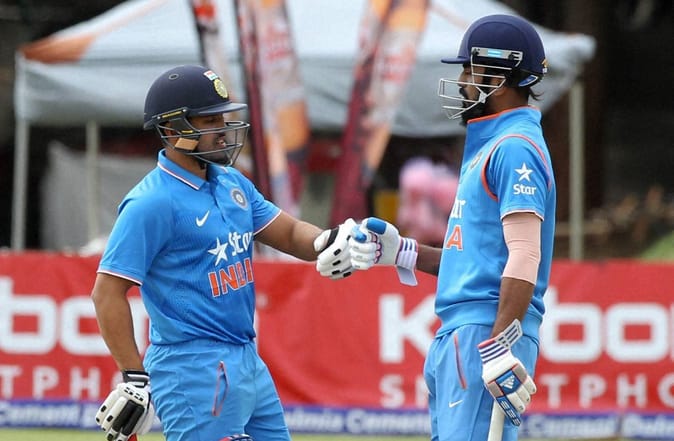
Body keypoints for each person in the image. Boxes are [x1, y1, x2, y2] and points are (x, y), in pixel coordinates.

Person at [91, 64, 355, 441]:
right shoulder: (150, 203)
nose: (224, 129)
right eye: (210, 120)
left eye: (223, 117)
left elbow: (290, 232)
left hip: (246, 357)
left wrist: (326, 241)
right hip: (191, 366)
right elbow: (107, 292)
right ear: (173, 129)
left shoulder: (231, 182)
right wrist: (133, 376)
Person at [349, 14, 556, 441]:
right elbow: (473, 260)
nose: (462, 81)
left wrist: (499, 346)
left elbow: (525, 254)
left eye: (469, 69)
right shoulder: (494, 143)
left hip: (484, 332)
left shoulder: (514, 147)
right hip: (463, 331)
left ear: (499, 77)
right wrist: (402, 252)